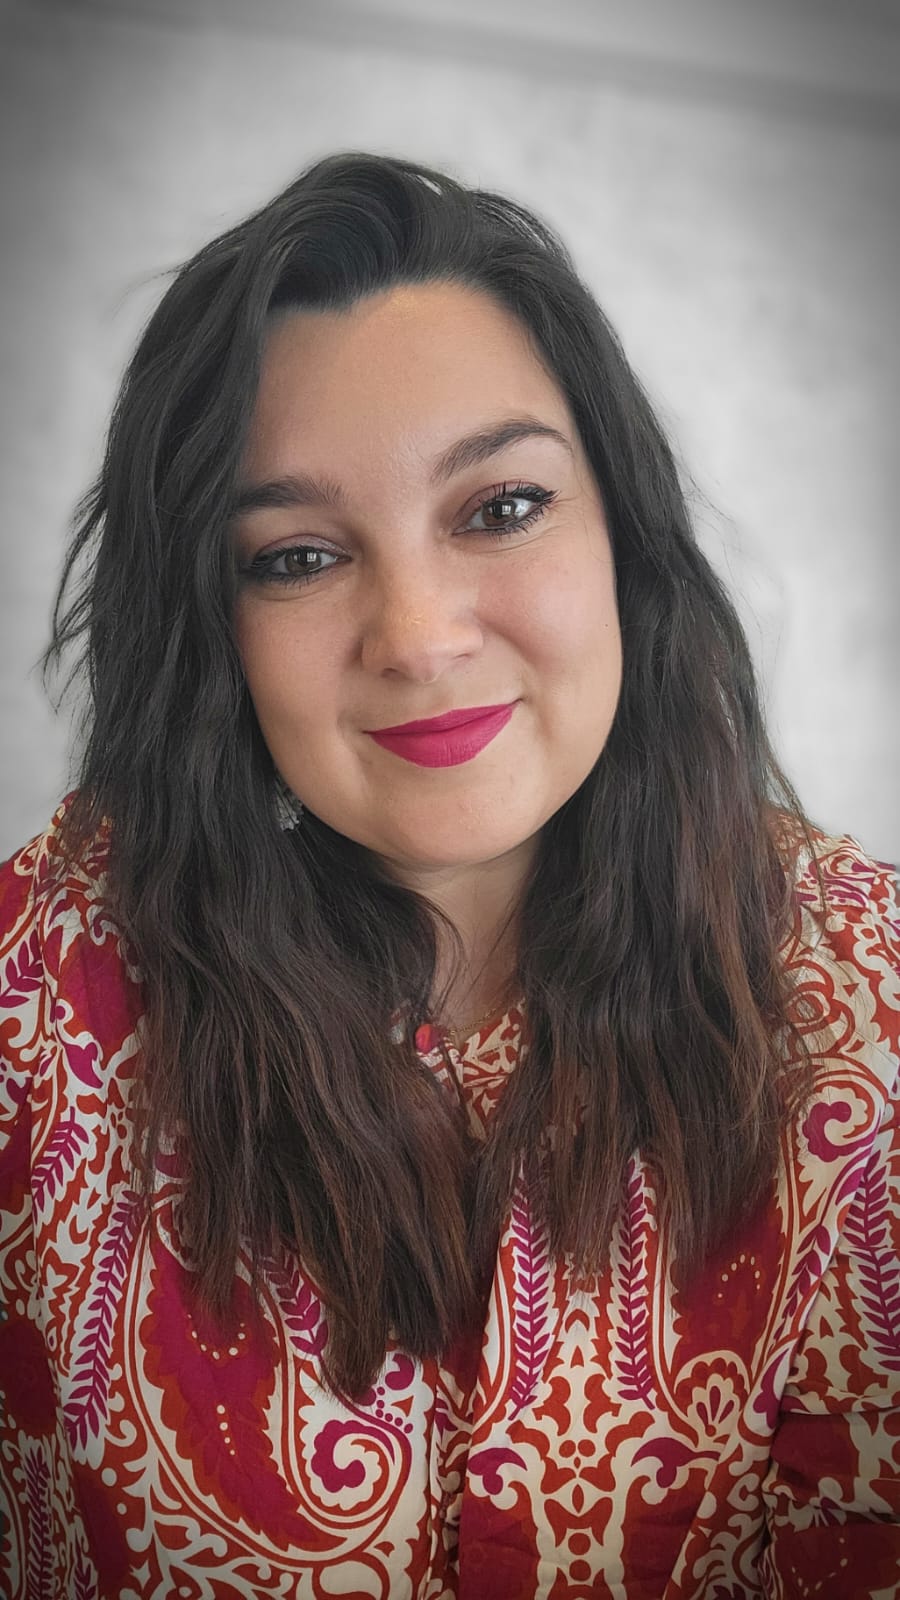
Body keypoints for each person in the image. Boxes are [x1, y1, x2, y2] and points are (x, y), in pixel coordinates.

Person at [0, 149, 897, 1600]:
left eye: (498, 510)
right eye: (294, 557)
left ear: (627, 537)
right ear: (208, 633)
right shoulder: (36, 991)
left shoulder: (873, 1002)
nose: (416, 634)